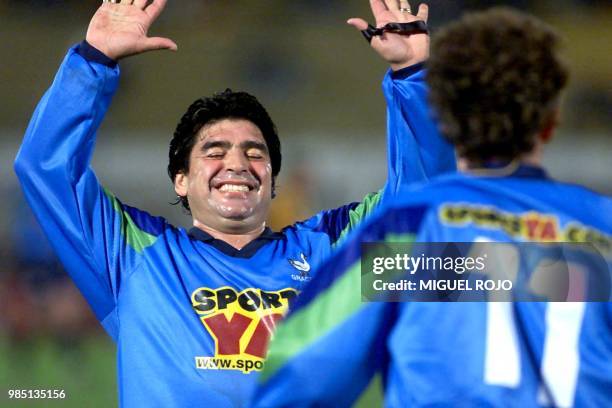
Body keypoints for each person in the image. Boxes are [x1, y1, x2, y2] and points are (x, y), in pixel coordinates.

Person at [14, 0, 454, 406]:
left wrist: (413, 74)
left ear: (272, 181)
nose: (238, 163)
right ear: (181, 181)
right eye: (214, 151)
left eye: (255, 153)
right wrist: (93, 61)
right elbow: (47, 170)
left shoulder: (330, 249)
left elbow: (417, 208)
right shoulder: (134, 258)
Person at [253, 6, 612, 408]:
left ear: (447, 119)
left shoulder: (410, 229)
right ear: (551, 120)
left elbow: (306, 366)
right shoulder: (603, 229)